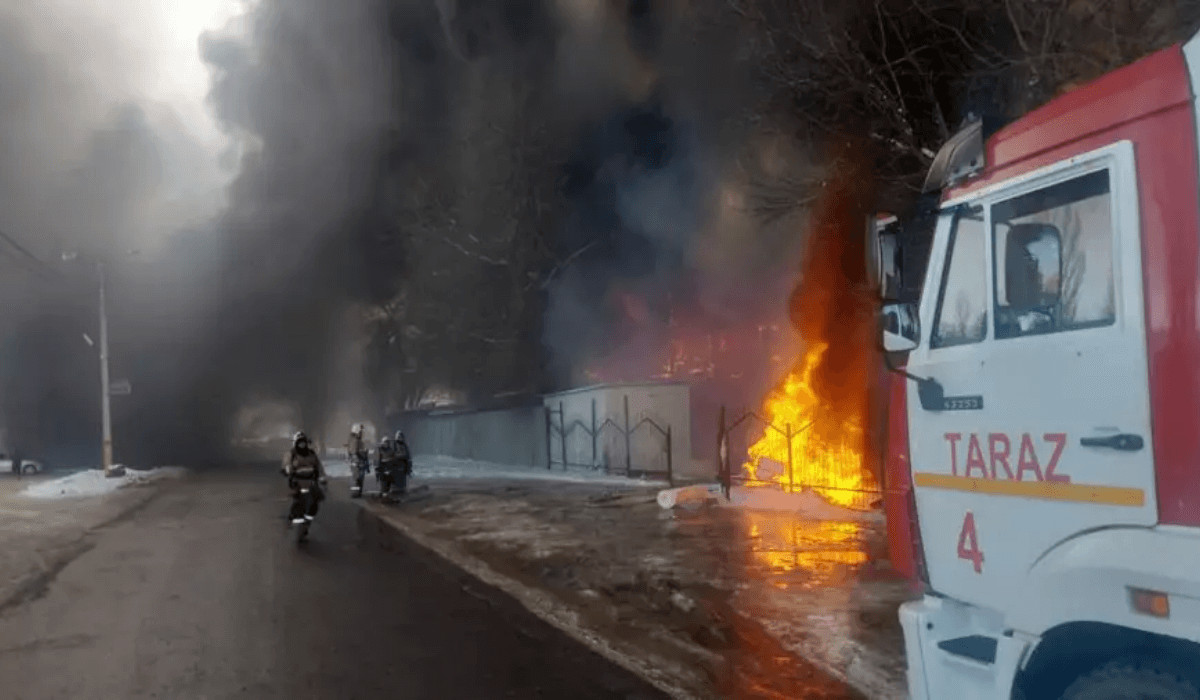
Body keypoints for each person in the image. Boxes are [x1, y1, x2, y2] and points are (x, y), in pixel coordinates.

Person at [281, 431, 327, 521]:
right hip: (297, 481)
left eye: (303, 442)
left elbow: (318, 466)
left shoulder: (311, 454)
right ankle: (296, 518)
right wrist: (287, 470)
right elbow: (286, 465)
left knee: (315, 500)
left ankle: (308, 518)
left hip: (311, 481)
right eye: (300, 442)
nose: (302, 445)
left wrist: (322, 477)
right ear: (295, 443)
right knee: (298, 500)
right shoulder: (291, 454)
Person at [347, 423, 369, 493]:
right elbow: (355, 452)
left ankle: (357, 492)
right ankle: (356, 493)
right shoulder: (355, 441)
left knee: (359, 479)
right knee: (357, 479)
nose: (362, 433)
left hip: (358, 463)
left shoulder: (356, 440)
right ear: (356, 431)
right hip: (357, 463)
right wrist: (363, 454)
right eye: (360, 432)